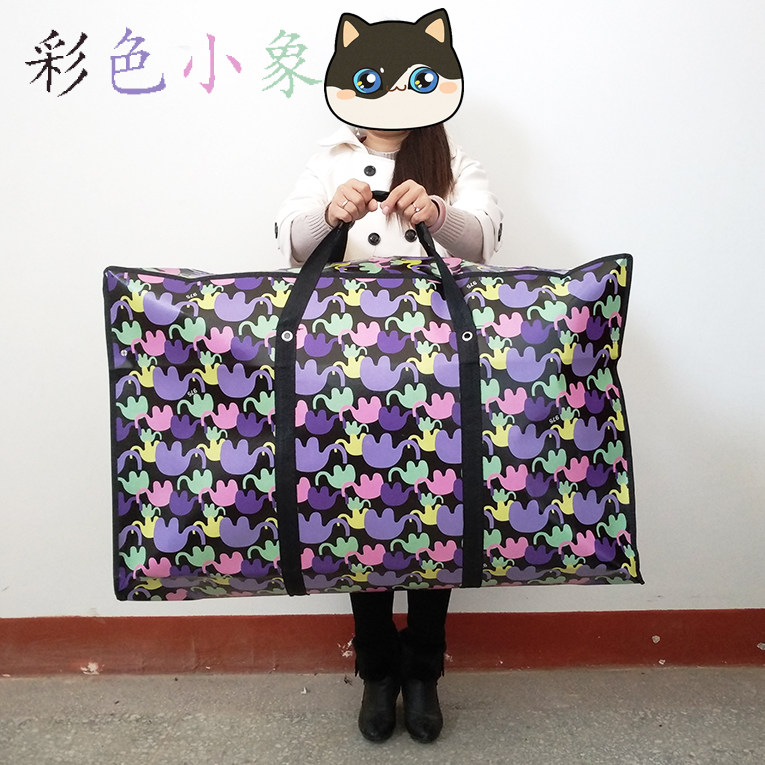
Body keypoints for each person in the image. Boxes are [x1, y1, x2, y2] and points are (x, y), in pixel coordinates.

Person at [275, 122, 502, 743]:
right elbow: (290, 241)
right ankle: (377, 671)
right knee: (362, 514)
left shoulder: (450, 156)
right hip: (347, 368)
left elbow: (485, 237)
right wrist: (330, 214)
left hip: (437, 370)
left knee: (438, 514)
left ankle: (424, 672)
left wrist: (437, 214)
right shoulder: (331, 157)